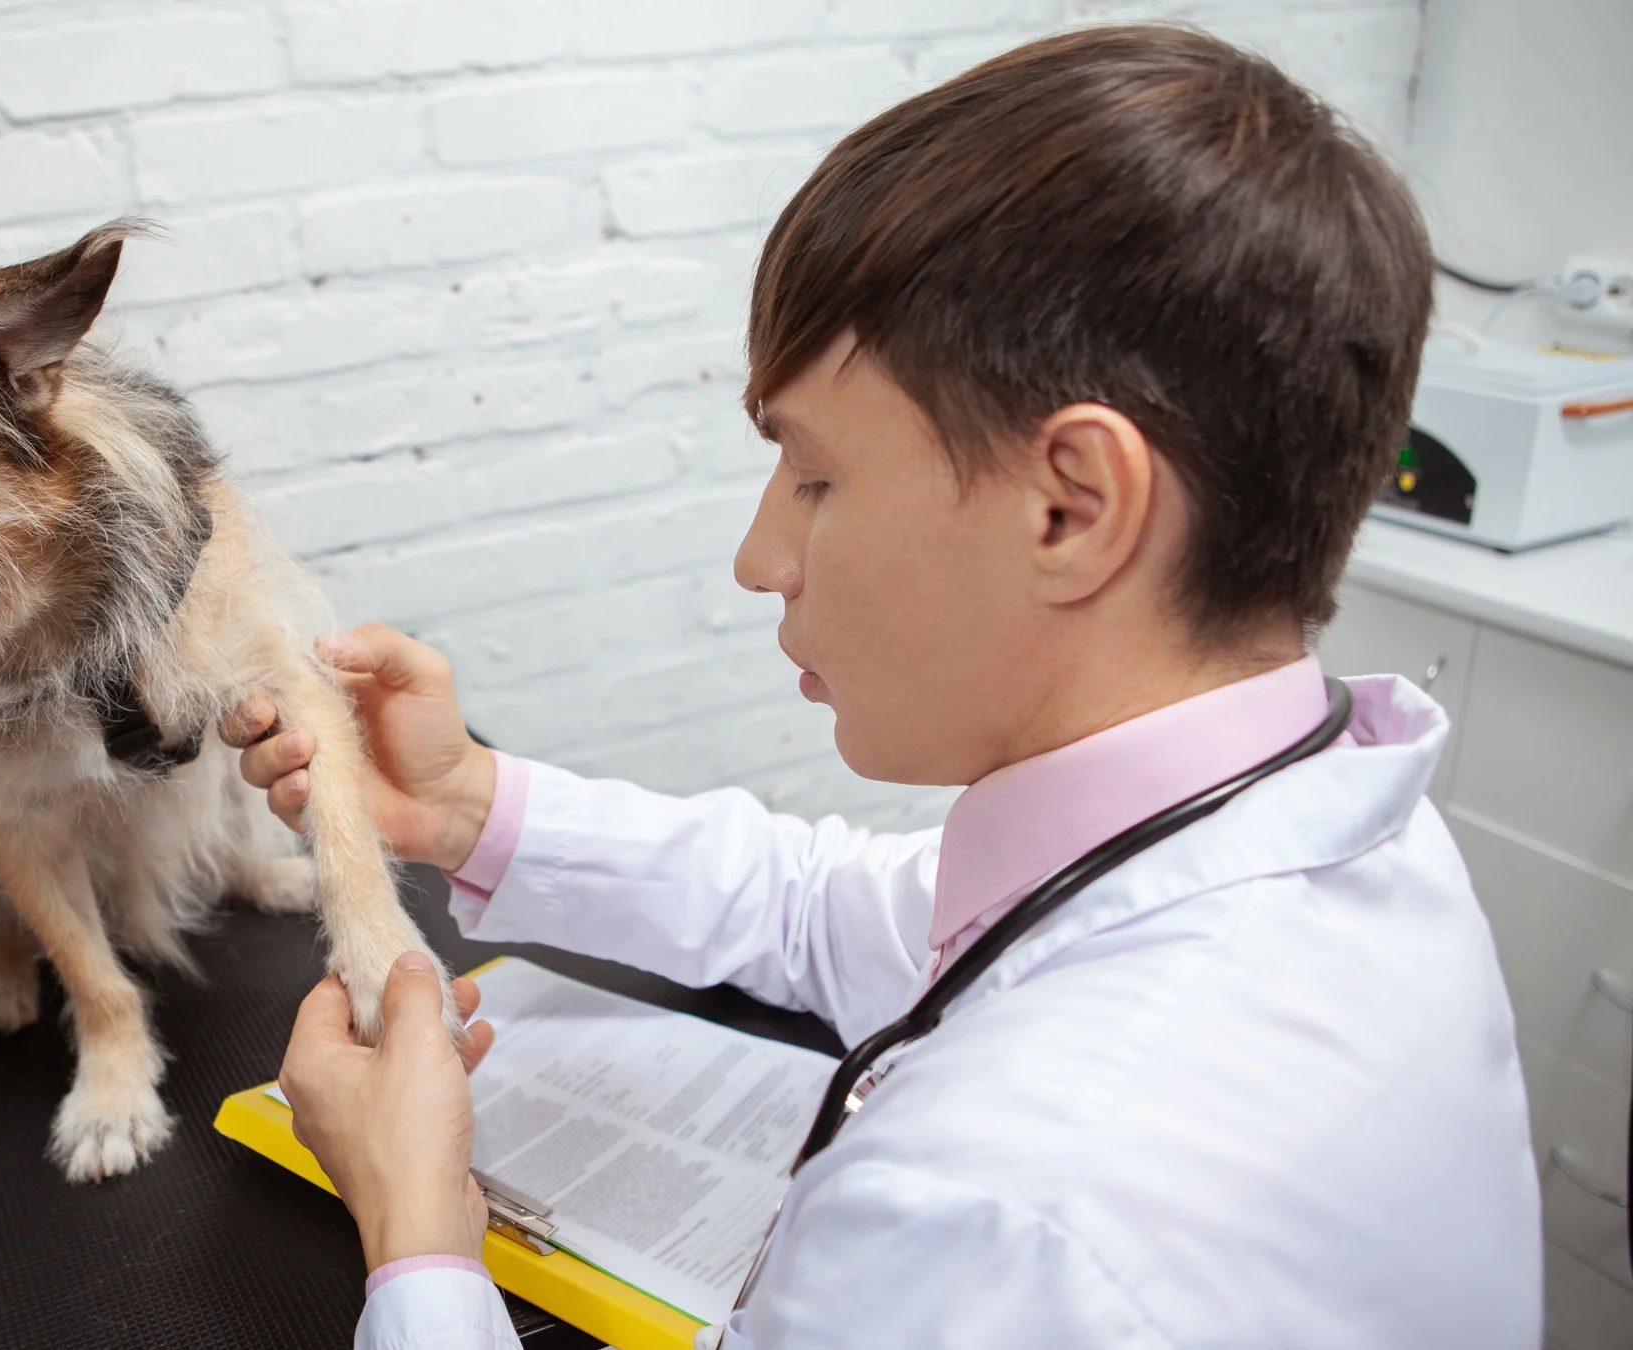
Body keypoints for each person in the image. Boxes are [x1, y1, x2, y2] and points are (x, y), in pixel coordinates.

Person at [222, 24, 1541, 1349]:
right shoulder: (1328, 825)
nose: (759, 558)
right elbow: (843, 912)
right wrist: (468, 802)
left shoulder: (994, 1209)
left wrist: (417, 1225)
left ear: (1072, 507)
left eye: (814, 477)